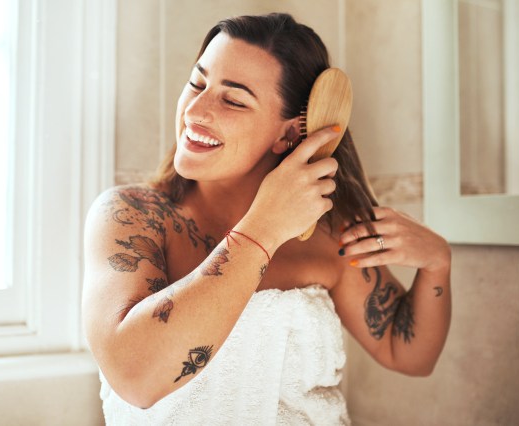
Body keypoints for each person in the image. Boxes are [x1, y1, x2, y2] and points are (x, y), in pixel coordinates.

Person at [82, 13, 452, 425]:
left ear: (289, 134)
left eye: (233, 99)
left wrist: (437, 265)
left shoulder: (330, 233)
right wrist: (264, 228)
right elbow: (136, 379)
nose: (196, 110)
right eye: (197, 83)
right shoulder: (132, 217)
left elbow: (409, 354)